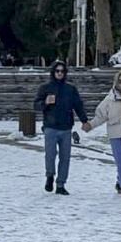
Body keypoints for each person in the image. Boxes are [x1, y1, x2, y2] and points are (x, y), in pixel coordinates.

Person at [32, 60, 88, 195]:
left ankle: (61, 184)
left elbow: (78, 105)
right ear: (53, 72)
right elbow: (36, 105)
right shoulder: (45, 88)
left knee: (65, 157)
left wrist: (84, 120)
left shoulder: (71, 89)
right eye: (57, 71)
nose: (60, 73)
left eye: (62, 71)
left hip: (66, 127)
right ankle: (50, 176)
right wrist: (45, 102)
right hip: (50, 126)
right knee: (50, 155)